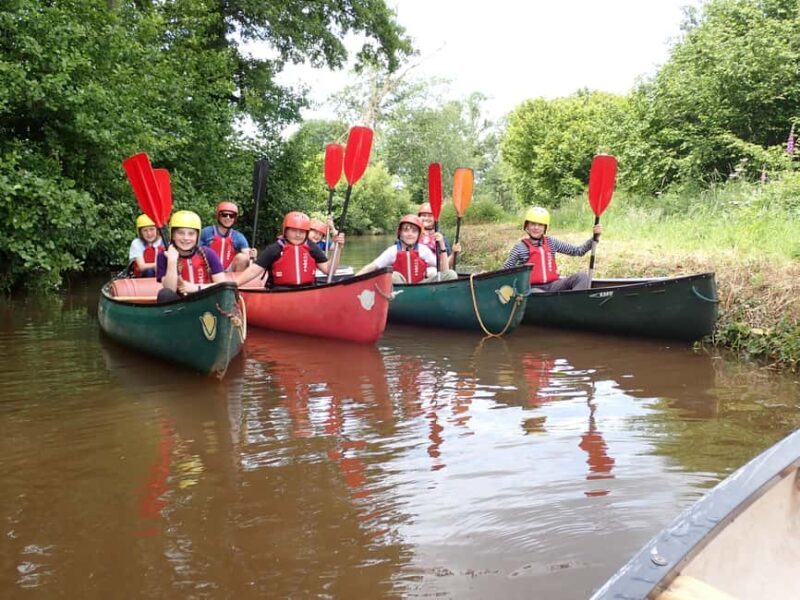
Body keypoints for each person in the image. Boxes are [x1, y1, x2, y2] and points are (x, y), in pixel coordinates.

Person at [501, 206, 602, 292]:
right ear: (527, 226)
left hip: (553, 286)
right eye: (532, 224)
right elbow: (505, 271)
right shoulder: (520, 247)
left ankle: (573, 305)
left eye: (540, 225)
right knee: (537, 293)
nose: (536, 228)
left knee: (582, 277)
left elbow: (578, 251)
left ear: (545, 228)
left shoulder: (551, 242)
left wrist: (594, 238)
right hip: (532, 289)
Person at [235, 211, 344, 288]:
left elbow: (330, 271)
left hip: (308, 292)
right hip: (280, 293)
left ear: (306, 233)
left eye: (302, 231)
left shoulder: (311, 248)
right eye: (293, 230)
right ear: (285, 231)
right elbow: (253, 271)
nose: (298, 235)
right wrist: (234, 284)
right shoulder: (274, 249)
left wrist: (338, 249)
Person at [357, 214, 457, 284]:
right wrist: (354, 279)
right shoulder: (392, 251)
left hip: (421, 288)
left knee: (451, 274)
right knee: (393, 275)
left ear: (418, 235)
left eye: (414, 231)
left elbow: (444, 270)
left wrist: (442, 245)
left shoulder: (423, 250)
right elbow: (373, 266)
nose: (410, 234)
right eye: (406, 230)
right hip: (401, 290)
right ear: (400, 233)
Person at [156, 210, 227, 302]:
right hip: (179, 307)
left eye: (191, 234)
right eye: (180, 233)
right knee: (164, 294)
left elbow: (222, 285)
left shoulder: (208, 253)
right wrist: (172, 261)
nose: (186, 238)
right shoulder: (163, 256)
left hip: (206, 302)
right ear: (173, 235)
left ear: (197, 236)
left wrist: (196, 288)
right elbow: (170, 289)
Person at [199, 201, 255, 272]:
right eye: (224, 215)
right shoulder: (206, 232)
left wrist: (252, 256)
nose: (228, 218)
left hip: (228, 270)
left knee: (243, 258)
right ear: (218, 216)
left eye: (231, 216)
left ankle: (238, 282)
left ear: (235, 218)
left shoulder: (238, 236)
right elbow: (196, 252)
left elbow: (247, 254)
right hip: (209, 269)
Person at [417, 202, 462, 270]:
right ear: (419, 217)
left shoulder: (442, 238)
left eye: (430, 216)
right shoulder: (412, 236)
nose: (426, 218)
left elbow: (447, 267)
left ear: (435, 218)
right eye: (423, 215)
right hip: (415, 273)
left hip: (436, 274)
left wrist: (453, 254)